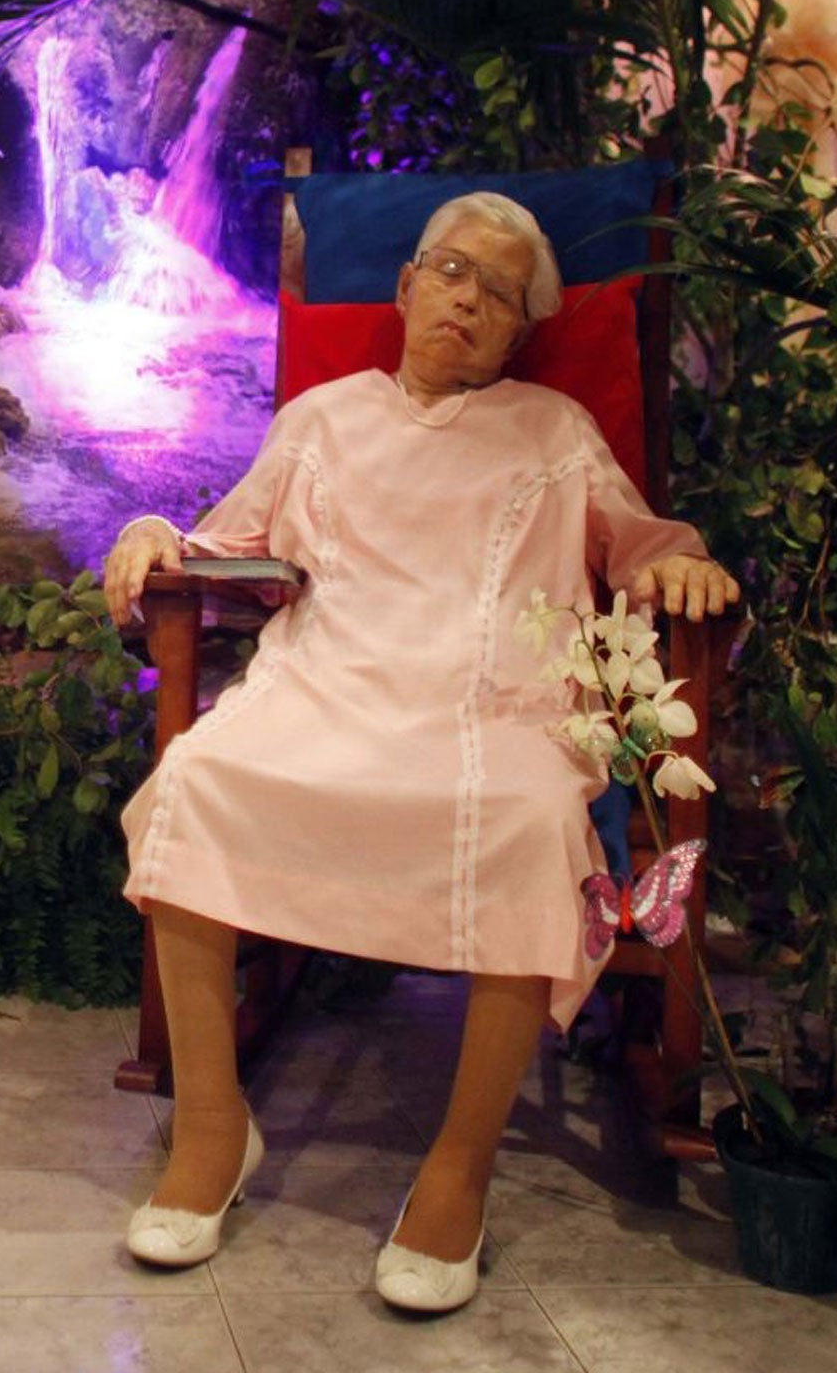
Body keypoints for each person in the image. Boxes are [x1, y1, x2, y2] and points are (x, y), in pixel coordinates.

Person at [100, 192, 737, 1314]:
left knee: (532, 821)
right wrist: (157, 532)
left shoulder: (551, 430)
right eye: (449, 271)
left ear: (515, 332)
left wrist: (672, 560)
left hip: (493, 704)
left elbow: (634, 538)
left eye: (497, 294)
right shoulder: (322, 418)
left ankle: (454, 1173)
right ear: (402, 289)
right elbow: (226, 537)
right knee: (198, 777)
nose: (467, 300)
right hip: (327, 684)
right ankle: (210, 1131)